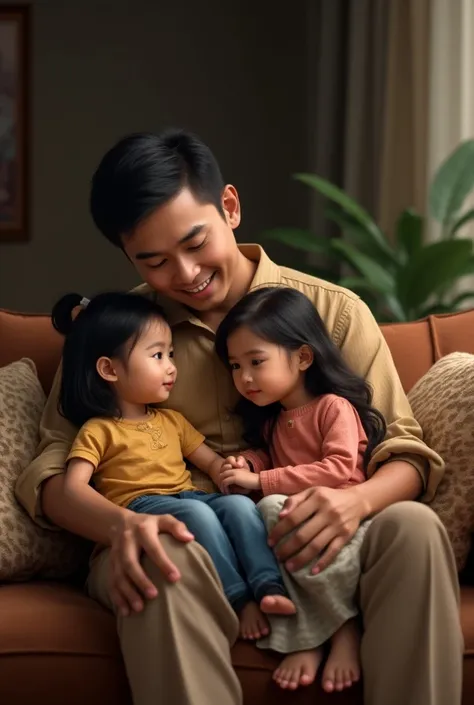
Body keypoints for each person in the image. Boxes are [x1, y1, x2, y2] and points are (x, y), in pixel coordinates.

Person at [16, 129, 462, 705]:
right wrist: (122, 526)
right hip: (171, 531)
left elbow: (403, 452)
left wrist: (356, 501)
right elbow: (51, 476)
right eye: (153, 261)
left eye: (195, 243)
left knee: (416, 529)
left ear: (229, 207)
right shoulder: (116, 330)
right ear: (128, 256)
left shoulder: (333, 312)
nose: (184, 273)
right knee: (164, 551)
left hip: (315, 527)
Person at [52, 290, 295, 637]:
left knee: (240, 506)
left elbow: (211, 462)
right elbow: (73, 487)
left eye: (170, 354)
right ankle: (238, 600)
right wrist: (123, 520)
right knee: (199, 516)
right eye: (157, 355)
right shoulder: (98, 431)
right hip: (142, 506)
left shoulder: (172, 421)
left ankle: (269, 586)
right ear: (109, 369)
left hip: (189, 495)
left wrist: (233, 471)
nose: (171, 367)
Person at [214, 285, 386, 692]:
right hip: (294, 525)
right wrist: (250, 462)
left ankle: (336, 632)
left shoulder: (333, 407)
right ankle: (322, 630)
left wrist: (260, 481)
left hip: (341, 522)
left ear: (304, 357)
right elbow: (277, 462)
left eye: (256, 361)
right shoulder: (275, 422)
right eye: (235, 366)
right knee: (257, 517)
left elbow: (339, 468)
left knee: (270, 506)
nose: (245, 377)